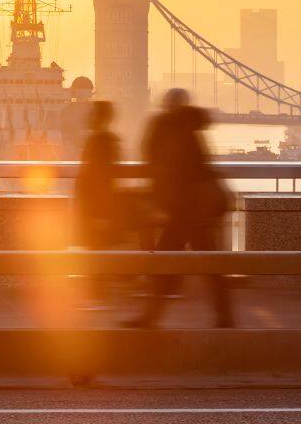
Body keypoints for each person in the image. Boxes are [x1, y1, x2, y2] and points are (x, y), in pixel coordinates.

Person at [125, 89, 234, 329]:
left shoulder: (172, 130)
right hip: (195, 209)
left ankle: (151, 316)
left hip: (185, 210)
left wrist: (157, 199)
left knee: (164, 261)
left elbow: (166, 170)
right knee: (207, 264)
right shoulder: (191, 130)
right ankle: (224, 316)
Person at [74, 100, 122, 308]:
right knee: (96, 251)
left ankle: (98, 296)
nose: (88, 116)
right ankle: (97, 295)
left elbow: (101, 178)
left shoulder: (100, 141)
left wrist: (101, 213)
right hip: (94, 207)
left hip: (95, 207)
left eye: (92, 113)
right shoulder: (103, 140)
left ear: (100, 117)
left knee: (96, 251)